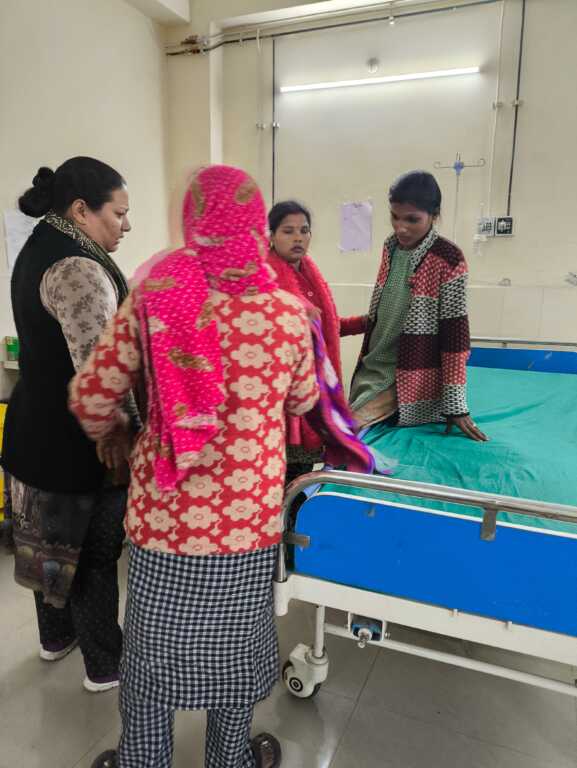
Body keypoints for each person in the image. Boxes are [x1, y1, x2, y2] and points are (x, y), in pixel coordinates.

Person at [69, 165, 322, 768]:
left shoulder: (156, 294)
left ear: (193, 220)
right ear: (256, 227)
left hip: (165, 522)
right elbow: (303, 402)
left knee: (152, 665)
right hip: (247, 525)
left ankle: (143, 760)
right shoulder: (289, 313)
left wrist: (120, 433)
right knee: (234, 658)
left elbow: (91, 395)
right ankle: (229, 759)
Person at [0, 156, 136, 693]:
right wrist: (125, 438)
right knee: (92, 559)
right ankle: (105, 666)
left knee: (46, 552)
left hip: (32, 432)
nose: (126, 225)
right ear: (82, 210)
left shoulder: (39, 246)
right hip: (78, 445)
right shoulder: (79, 268)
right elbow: (101, 376)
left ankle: (55, 639)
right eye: (119, 214)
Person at [348, 170, 488, 441]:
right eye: (395, 217)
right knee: (334, 422)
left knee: (342, 431)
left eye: (412, 219)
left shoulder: (448, 258)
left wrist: (456, 405)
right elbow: (386, 311)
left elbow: (455, 338)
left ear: (434, 215)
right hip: (372, 367)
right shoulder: (391, 249)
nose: (401, 227)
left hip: (406, 376)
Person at [267, 201, 363, 483]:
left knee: (303, 475)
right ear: (271, 235)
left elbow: (323, 329)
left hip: (316, 391)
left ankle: (295, 511)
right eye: (288, 231)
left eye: (304, 230)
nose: (298, 238)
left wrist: (363, 323)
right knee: (285, 476)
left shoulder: (309, 272)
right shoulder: (266, 279)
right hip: (287, 399)